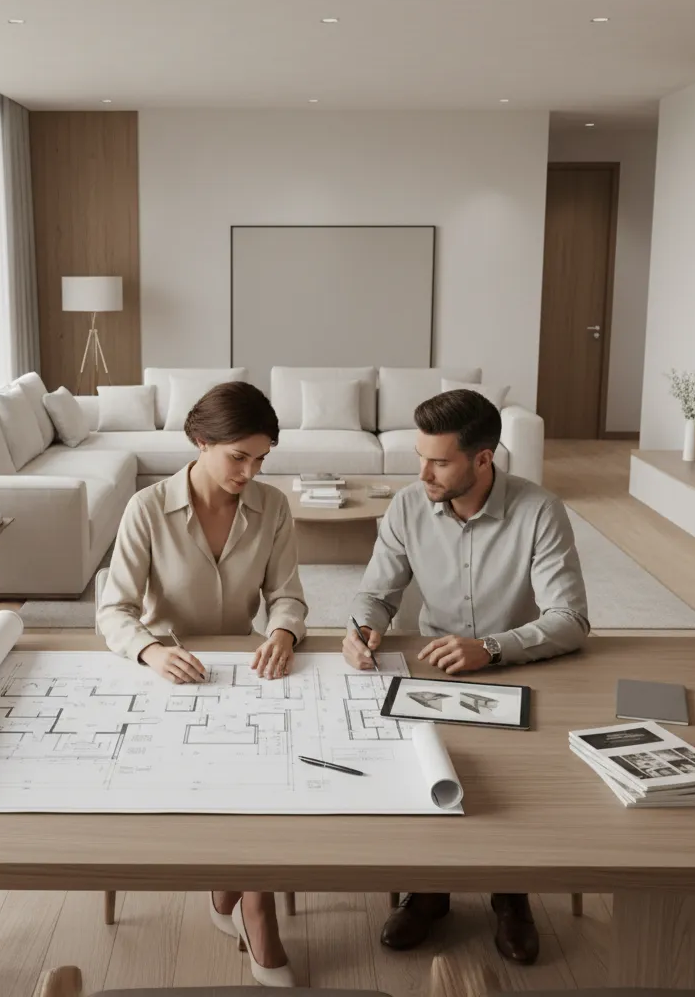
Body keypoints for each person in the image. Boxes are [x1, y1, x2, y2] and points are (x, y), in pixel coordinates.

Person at [342, 388, 589, 966]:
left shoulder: (540, 510)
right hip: (434, 666)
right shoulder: (406, 505)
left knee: (513, 786)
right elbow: (375, 592)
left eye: (439, 460)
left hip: (521, 666)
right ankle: (429, 893)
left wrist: (493, 649)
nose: (422, 471)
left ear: (484, 458)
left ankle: (512, 897)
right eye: (420, 456)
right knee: (428, 770)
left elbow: (570, 620)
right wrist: (362, 628)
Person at [98, 380, 306, 988]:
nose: (250, 470)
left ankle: (244, 896)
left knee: (270, 769)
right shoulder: (146, 508)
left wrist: (285, 634)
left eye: (261, 458)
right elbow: (113, 611)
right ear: (199, 441)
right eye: (238, 456)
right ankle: (248, 901)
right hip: (168, 676)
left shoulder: (274, 507)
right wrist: (151, 651)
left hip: (247, 670)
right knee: (219, 776)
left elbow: (287, 596)